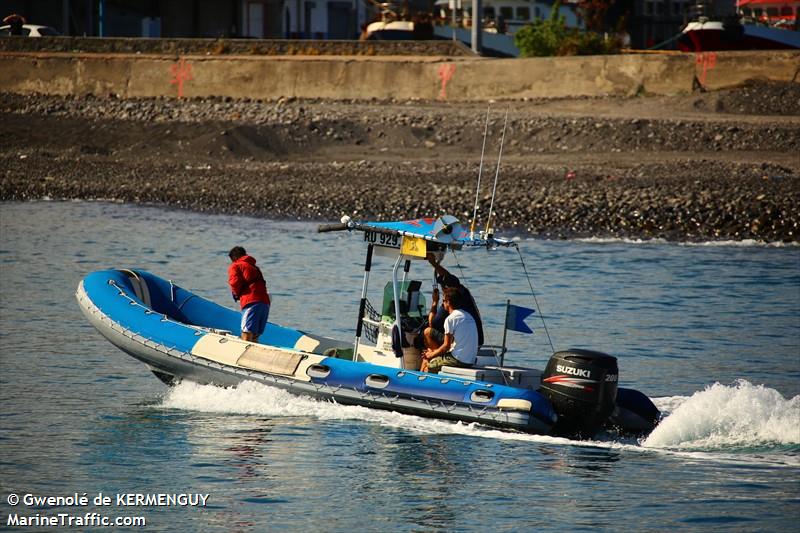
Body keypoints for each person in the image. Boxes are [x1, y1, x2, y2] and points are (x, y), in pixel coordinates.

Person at [421, 254, 484, 350]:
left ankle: (434, 358)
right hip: (478, 340)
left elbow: (433, 323)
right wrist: (433, 263)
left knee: (427, 331)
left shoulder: (450, 300)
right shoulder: (464, 293)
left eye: (442, 288)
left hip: (464, 344)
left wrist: (435, 302)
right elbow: (446, 276)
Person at [420, 287, 478, 374]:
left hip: (458, 360)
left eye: (443, 301)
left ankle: (422, 381)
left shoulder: (451, 319)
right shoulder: (468, 316)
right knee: (431, 355)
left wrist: (431, 355)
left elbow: (446, 346)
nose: (443, 304)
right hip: (470, 360)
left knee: (428, 363)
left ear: (448, 302)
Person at [227, 246, 271, 343]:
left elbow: (234, 282)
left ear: (234, 258)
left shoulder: (236, 265)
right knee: (255, 335)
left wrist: (236, 294)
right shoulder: (255, 267)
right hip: (265, 303)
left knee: (246, 332)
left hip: (251, 301)